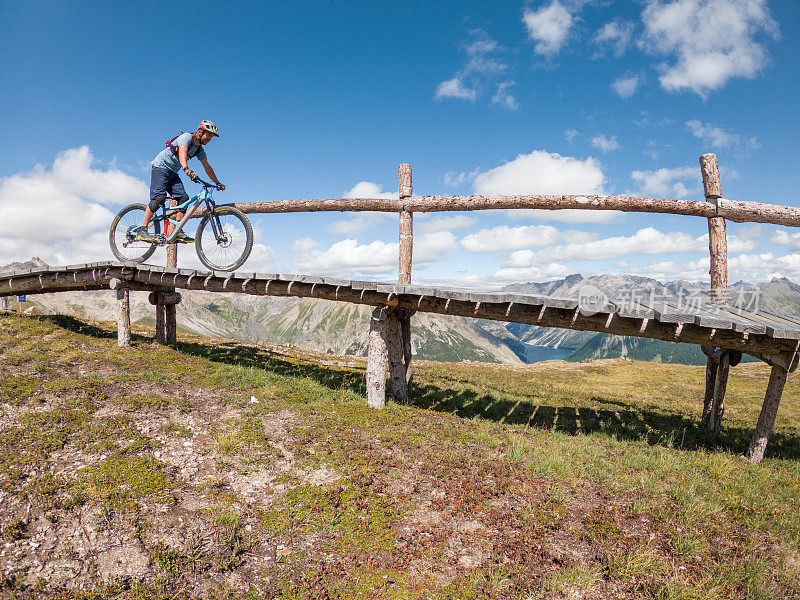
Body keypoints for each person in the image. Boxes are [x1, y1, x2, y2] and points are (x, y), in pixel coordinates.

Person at [136, 120, 226, 242]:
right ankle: (142, 229)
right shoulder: (187, 137)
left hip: (173, 172)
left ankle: (177, 231)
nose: (210, 138)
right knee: (159, 198)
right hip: (161, 167)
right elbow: (182, 152)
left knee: (183, 198)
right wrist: (186, 168)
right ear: (201, 131)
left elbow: (207, 167)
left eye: (212, 137)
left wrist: (217, 183)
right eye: (208, 135)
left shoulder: (200, 150)